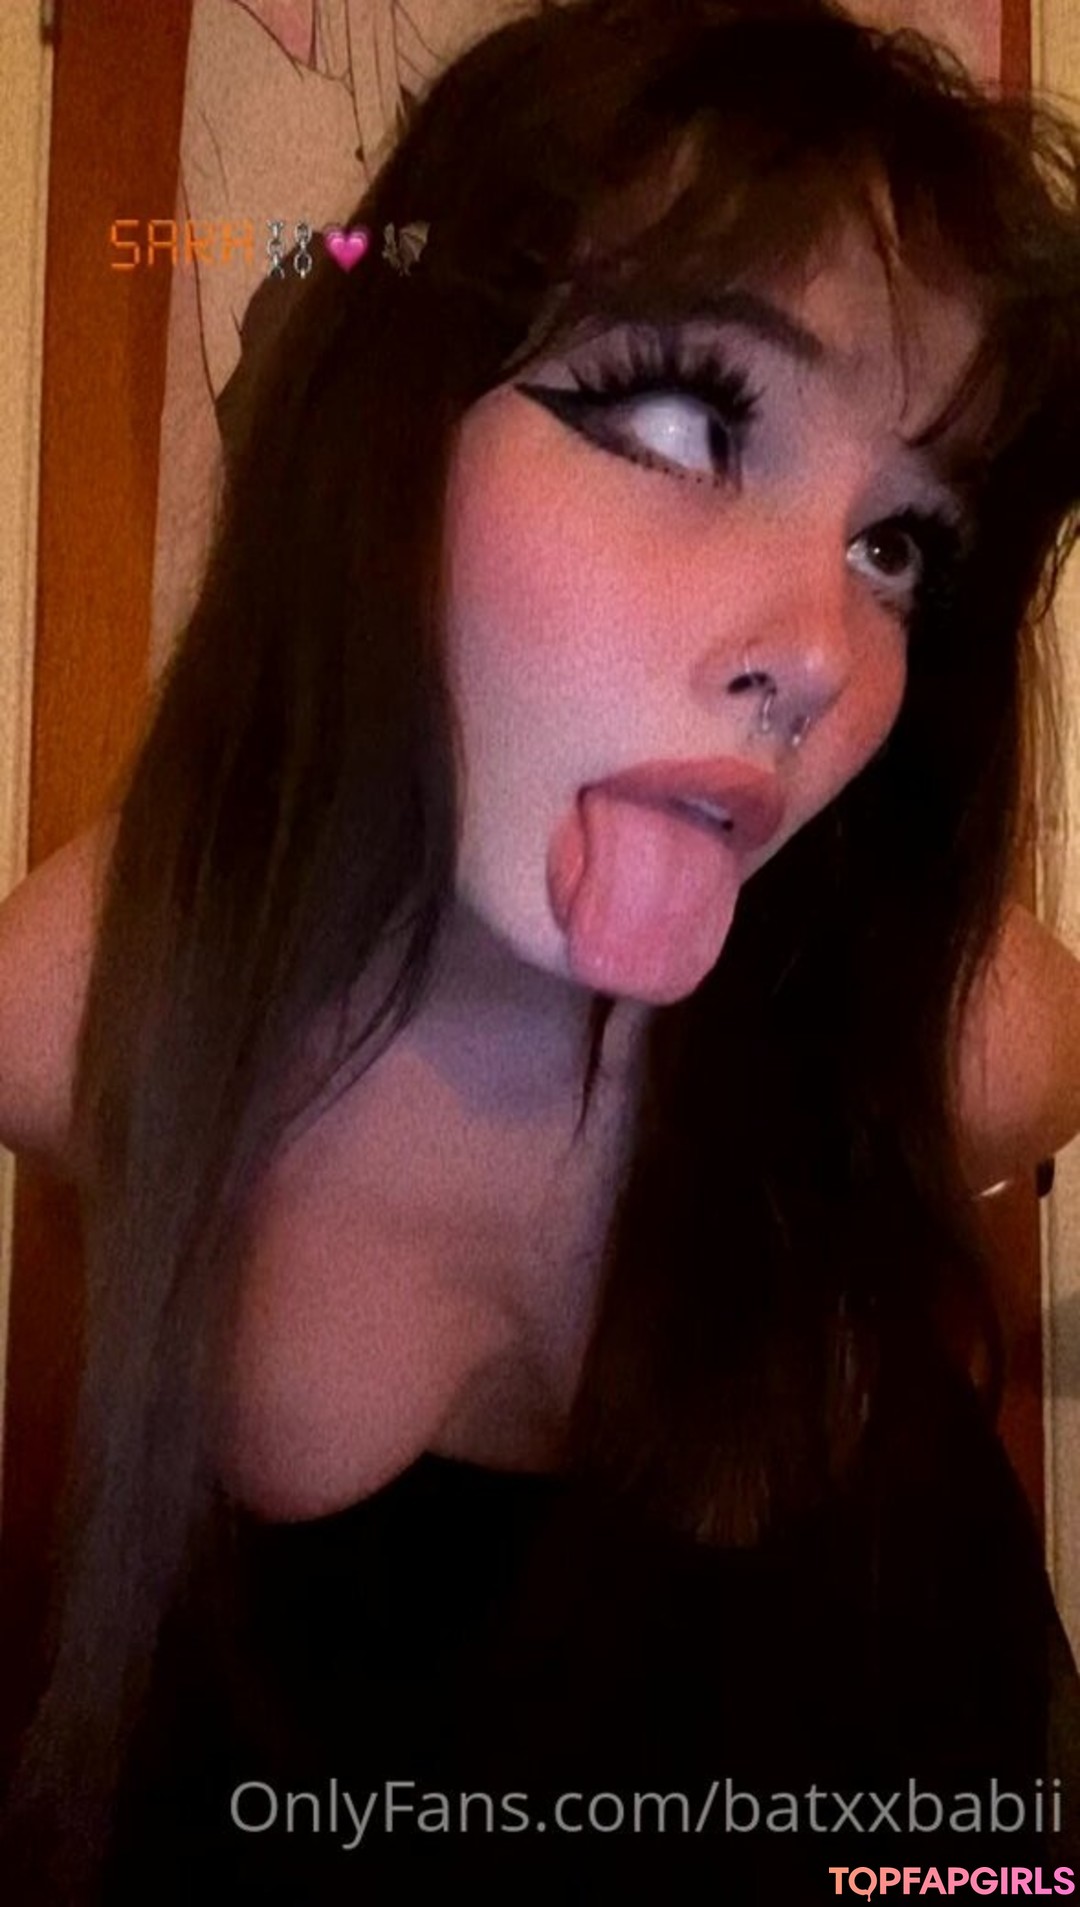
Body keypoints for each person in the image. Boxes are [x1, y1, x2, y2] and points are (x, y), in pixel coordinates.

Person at [3, 0, 1080, 1898]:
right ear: (380, 444)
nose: (819, 650)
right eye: (680, 419)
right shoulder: (97, 999)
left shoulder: (950, 1013)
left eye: (901, 543)